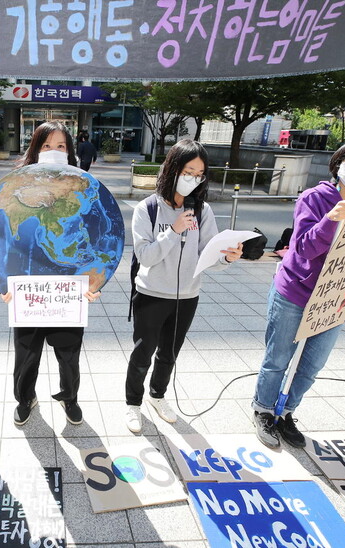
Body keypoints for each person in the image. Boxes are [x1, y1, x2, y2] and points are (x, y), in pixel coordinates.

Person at [251, 140, 345, 449]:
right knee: (278, 358)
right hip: (294, 291)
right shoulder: (315, 198)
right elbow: (303, 247)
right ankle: (263, 409)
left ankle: (287, 412)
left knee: (312, 364)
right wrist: (331, 220)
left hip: (335, 299)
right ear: (339, 163)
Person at [125, 139, 242, 434]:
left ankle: (157, 396)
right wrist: (173, 231)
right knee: (143, 353)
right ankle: (133, 404)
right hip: (151, 293)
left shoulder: (202, 212)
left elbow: (208, 257)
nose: (193, 179)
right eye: (188, 171)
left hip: (188, 295)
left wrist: (227, 258)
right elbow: (146, 256)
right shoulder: (147, 209)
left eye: (199, 174)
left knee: (169, 353)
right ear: (173, 169)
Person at [3, 121, 102, 427]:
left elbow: (98, 239)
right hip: (29, 291)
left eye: (61, 147)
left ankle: (69, 398)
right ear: (34, 150)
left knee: (68, 355)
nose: (54, 152)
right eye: (47, 146)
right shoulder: (13, 190)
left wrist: (97, 280)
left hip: (67, 291)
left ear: (71, 153)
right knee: (27, 356)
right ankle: (25, 398)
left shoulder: (86, 190)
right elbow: (2, 239)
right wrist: (1, 284)